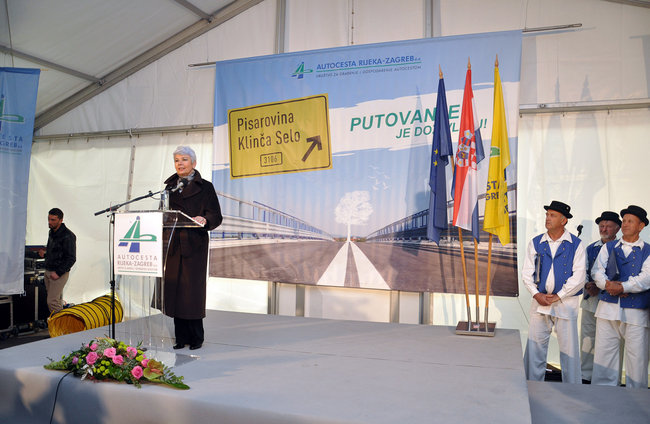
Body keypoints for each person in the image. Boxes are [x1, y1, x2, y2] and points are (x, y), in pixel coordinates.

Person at [161, 146, 222, 351]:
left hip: (194, 244)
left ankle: (196, 337)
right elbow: (163, 213)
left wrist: (205, 219)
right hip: (172, 244)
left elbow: (216, 215)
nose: (180, 163)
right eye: (177, 160)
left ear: (194, 163)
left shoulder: (205, 187)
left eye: (184, 159)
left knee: (191, 292)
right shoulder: (169, 188)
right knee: (176, 290)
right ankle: (180, 337)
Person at [522, 200, 586, 384]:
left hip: (566, 304)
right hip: (539, 302)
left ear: (564, 220)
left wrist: (559, 295)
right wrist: (536, 294)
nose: (548, 218)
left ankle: (572, 389)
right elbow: (526, 273)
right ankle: (532, 385)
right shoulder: (536, 242)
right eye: (547, 215)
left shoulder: (576, 244)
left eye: (552, 215)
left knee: (569, 350)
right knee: (535, 347)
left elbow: (579, 276)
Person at [591, 205, 650, 389]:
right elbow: (597, 271)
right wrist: (608, 286)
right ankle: (603, 393)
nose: (625, 224)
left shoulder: (648, 250)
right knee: (604, 353)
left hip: (636, 312)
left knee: (637, 357)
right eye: (623, 221)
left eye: (630, 221)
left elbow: (646, 278)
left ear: (641, 226)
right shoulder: (608, 247)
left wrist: (623, 286)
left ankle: (637, 396)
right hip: (607, 309)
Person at [580, 211, 621, 383]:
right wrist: (587, 285)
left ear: (617, 228)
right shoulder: (591, 248)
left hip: (611, 302)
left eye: (608, 226)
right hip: (591, 300)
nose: (604, 229)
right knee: (587, 338)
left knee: (610, 341)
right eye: (601, 226)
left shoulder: (621, 247)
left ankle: (610, 379)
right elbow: (582, 270)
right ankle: (585, 376)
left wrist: (601, 286)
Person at [27, 208, 77, 314]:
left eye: (53, 220)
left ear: (61, 220)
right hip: (49, 270)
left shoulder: (68, 236)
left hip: (58, 273)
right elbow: (57, 251)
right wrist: (45, 254)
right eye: (49, 219)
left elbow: (71, 258)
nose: (49, 222)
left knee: (52, 301)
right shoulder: (52, 232)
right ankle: (59, 323)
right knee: (55, 301)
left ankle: (59, 324)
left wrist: (58, 273)